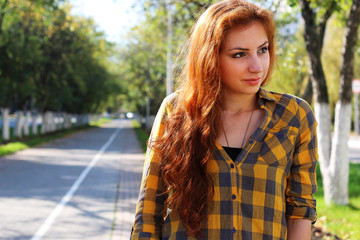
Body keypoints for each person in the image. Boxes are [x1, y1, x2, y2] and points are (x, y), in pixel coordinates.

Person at [131, 0, 318, 239]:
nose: (256, 66)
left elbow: (300, 211)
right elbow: (149, 209)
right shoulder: (176, 111)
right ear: (210, 58)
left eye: (262, 50)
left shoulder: (294, 115)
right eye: (239, 54)